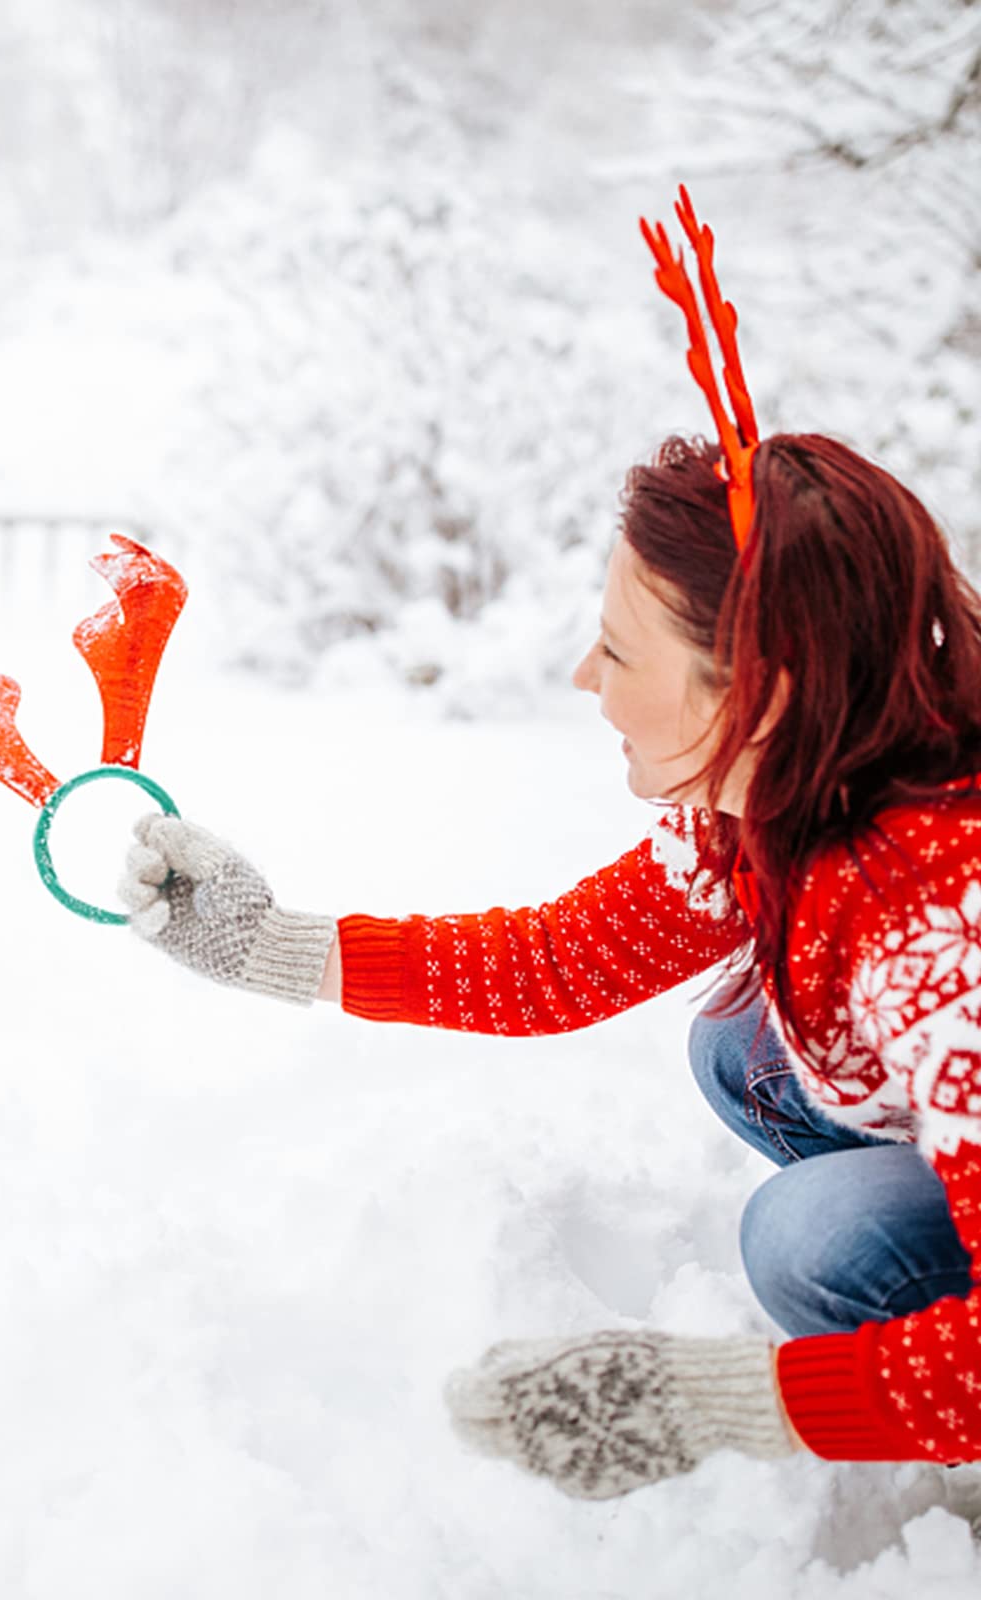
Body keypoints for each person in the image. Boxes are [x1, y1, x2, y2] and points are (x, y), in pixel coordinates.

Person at [117, 194, 981, 1502]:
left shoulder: (941, 928)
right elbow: (552, 964)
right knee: (741, 1042)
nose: (585, 675)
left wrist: (710, 1403)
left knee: (809, 1236)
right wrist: (266, 943)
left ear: (767, 691)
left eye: (624, 653)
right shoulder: (790, 801)